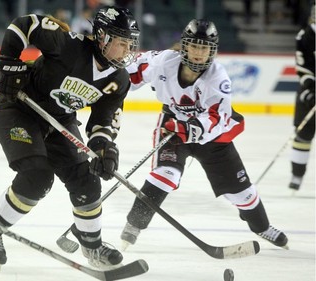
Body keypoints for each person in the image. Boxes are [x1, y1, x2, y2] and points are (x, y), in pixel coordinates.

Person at [0, 6, 140, 271]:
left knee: (87, 181)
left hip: (59, 120)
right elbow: (23, 24)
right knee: (37, 178)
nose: (128, 50)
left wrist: (102, 148)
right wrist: (7, 61)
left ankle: (91, 244)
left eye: (130, 43)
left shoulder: (118, 79)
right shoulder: (68, 45)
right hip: (19, 108)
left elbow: (103, 120)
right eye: (122, 43)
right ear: (103, 37)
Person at [120, 19, 289, 251]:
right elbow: (127, 73)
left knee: (243, 194)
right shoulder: (163, 63)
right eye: (195, 46)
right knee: (164, 175)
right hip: (173, 129)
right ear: (184, 46)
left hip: (212, 139)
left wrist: (188, 128)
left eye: (205, 47)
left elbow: (217, 118)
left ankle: (261, 227)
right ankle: (133, 226)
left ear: (212, 50)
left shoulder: (218, 77)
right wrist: (107, 87)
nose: (199, 53)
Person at [288, 3, 315, 191]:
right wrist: (310, 90)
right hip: (310, 91)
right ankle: (297, 175)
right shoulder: (305, 36)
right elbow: (303, 67)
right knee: (302, 134)